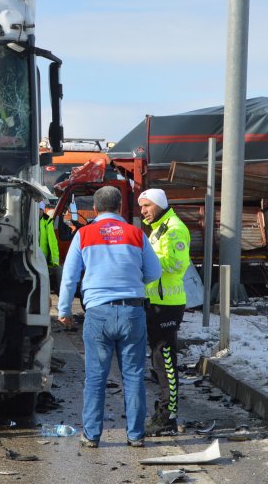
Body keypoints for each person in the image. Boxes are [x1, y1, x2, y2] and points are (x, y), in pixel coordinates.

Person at [58, 186, 162, 449]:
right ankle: (135, 436)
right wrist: (132, 281)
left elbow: (69, 277)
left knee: (96, 377)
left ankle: (92, 435)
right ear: (120, 208)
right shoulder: (136, 234)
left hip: (98, 314)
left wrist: (64, 311)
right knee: (134, 376)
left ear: (94, 208)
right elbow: (154, 272)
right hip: (132, 312)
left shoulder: (83, 234)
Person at [136, 188, 191, 434]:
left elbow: (177, 264)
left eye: (147, 205)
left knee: (166, 361)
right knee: (159, 361)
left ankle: (168, 418)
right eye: (141, 207)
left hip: (167, 305)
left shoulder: (174, 228)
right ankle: (163, 413)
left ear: (159, 204)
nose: (143, 211)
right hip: (157, 302)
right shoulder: (160, 228)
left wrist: (143, 261)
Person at [38, 202, 61, 287]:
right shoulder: (28, 220)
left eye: (40, 210)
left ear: (43, 210)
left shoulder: (47, 221)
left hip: (43, 258)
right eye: (37, 209)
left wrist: (54, 261)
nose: (38, 212)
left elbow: (52, 241)